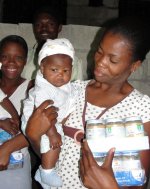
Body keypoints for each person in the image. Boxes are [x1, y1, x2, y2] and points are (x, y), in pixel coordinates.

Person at [26, 17, 150, 189]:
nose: (100, 62)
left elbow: (139, 183)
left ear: (134, 65)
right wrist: (33, 136)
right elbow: (48, 152)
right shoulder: (70, 91)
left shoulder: (142, 108)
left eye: (112, 60)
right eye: (99, 51)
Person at [21, 38, 79, 188]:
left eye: (66, 71)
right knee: (53, 143)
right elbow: (45, 113)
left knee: (57, 142)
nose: (60, 75)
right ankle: (46, 172)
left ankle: (46, 170)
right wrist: (53, 133)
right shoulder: (43, 88)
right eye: (54, 70)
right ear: (42, 68)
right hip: (39, 120)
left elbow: (71, 95)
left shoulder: (64, 85)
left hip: (51, 119)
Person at [0, 35, 33, 189]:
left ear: (25, 61)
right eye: (5, 57)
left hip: (16, 162)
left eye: (18, 57)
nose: (11, 62)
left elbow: (37, 131)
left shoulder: (32, 88)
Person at [21, 6, 84, 81]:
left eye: (50, 24)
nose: (44, 28)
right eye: (38, 25)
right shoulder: (24, 57)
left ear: (59, 28)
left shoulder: (73, 61)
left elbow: (78, 90)